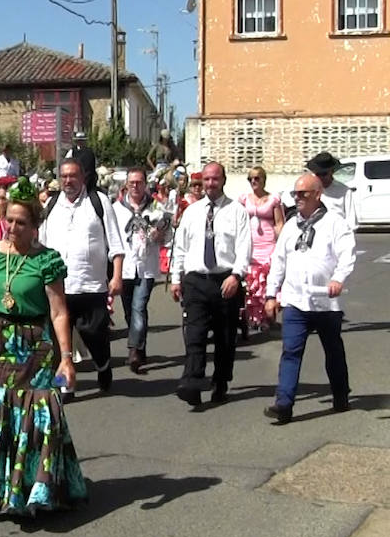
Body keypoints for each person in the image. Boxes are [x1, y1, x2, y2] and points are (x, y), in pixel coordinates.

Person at [0, 177, 88, 515]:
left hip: (33, 349)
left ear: (35, 225)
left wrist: (66, 359)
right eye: (8, 219)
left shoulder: (46, 261)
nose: (12, 227)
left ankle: (29, 493)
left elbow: (58, 312)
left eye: (20, 222)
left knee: (33, 422)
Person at [262, 172, 356, 424]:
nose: (298, 198)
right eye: (295, 194)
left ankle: (340, 393)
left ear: (317, 194)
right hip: (295, 301)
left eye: (303, 193)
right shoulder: (291, 226)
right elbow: (278, 262)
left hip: (326, 302)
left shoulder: (335, 223)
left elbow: (347, 255)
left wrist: (338, 278)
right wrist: (271, 295)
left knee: (333, 350)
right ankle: (284, 404)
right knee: (291, 351)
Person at [169, 162, 253, 408]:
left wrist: (236, 276)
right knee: (194, 335)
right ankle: (192, 382)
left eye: (215, 179)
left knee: (225, 338)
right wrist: (176, 279)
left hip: (224, 281)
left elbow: (244, 248)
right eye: (206, 180)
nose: (210, 184)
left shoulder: (236, 211)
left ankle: (221, 382)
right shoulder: (193, 212)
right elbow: (181, 248)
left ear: (223, 181)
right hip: (196, 281)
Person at [39, 158, 125, 393]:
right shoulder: (52, 205)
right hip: (58, 289)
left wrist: (116, 276)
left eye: (73, 176)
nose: (68, 181)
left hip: (91, 286)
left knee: (96, 337)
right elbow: (41, 245)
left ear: (83, 178)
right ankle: (63, 387)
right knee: (59, 345)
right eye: (64, 176)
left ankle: (103, 366)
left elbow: (116, 245)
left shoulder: (99, 203)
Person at [113, 167, 169, 373]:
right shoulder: (117, 209)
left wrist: (159, 234)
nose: (135, 186)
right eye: (132, 182)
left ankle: (133, 350)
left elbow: (167, 236)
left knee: (139, 306)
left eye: (139, 182)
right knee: (129, 311)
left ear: (145, 184)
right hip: (126, 267)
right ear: (126, 185)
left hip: (146, 266)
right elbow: (112, 238)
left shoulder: (156, 208)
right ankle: (140, 344)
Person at [240, 166, 285, 334]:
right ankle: (254, 317)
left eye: (257, 178)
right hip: (250, 245)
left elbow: (279, 223)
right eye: (250, 178)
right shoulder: (244, 199)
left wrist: (282, 244)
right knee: (252, 283)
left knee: (268, 281)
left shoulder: (273, 199)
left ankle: (268, 317)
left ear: (264, 179)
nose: (253, 181)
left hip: (268, 244)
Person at [306, 152, 357, 229]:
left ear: (331, 172)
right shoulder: (310, 190)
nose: (321, 178)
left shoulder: (344, 191)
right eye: (318, 174)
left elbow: (351, 221)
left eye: (324, 174)